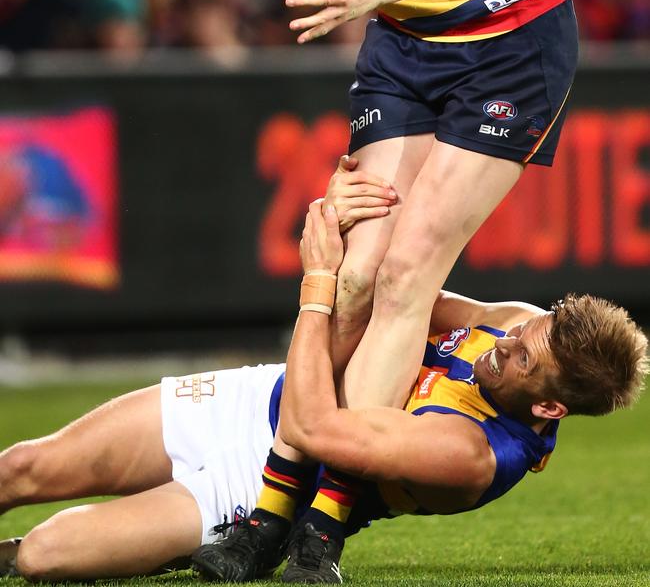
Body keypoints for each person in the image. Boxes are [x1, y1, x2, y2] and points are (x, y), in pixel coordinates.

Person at [150, 0, 579, 574]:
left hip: (510, 42)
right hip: (407, 40)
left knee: (406, 272)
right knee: (354, 271)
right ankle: (274, 513)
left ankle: (318, 525)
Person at [0, 195, 646, 584]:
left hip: (264, 484)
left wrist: (318, 284)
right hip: (256, 398)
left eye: (522, 358)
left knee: (46, 556)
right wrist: (348, 213)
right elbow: (395, 296)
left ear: (548, 407)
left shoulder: (470, 456)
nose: (504, 340)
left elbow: (311, 431)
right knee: (21, 466)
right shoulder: (514, 324)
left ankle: (188, 540)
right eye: (527, 329)